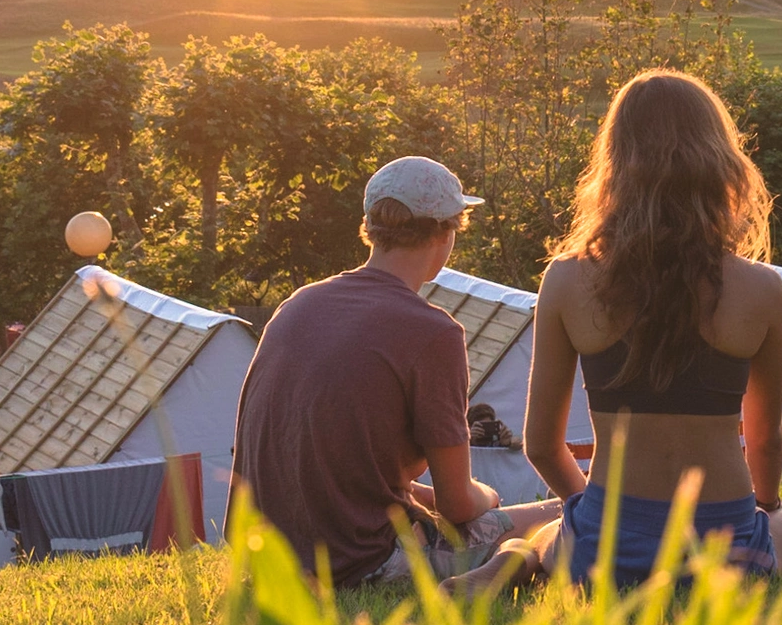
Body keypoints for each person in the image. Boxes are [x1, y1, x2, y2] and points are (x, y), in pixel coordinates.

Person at [451, 71, 782, 595]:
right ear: (720, 162)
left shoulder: (565, 278)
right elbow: (764, 440)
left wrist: (592, 515)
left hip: (608, 543)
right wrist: (765, 505)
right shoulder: (762, 289)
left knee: (547, 533)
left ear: (615, 163)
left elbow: (539, 445)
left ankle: (517, 559)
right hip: (723, 545)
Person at [231, 157, 562, 587]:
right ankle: (501, 566)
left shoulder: (297, 306)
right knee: (563, 513)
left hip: (265, 561)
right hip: (360, 562)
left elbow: (333, 460)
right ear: (447, 233)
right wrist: (490, 496)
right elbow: (459, 504)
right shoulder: (433, 332)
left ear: (370, 227)